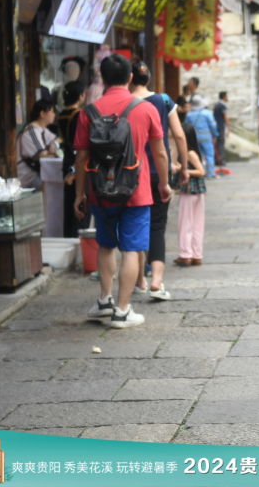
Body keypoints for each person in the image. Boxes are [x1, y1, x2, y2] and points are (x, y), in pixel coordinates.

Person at [73, 54, 171, 329]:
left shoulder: (88, 112)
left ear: (102, 79)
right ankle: (122, 310)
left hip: (100, 191)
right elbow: (160, 152)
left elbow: (81, 157)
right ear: (130, 78)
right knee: (131, 249)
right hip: (136, 191)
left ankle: (105, 300)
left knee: (106, 245)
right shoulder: (145, 109)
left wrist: (80, 193)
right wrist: (164, 183)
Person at [129, 60, 175, 301]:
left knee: (135, 226)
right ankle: (157, 281)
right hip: (157, 172)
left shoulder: (124, 103)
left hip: (131, 174)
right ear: (148, 79)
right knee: (157, 226)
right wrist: (166, 181)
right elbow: (168, 143)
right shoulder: (160, 101)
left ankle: (140, 281)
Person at [57, 81, 90, 238]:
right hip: (78, 159)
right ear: (81, 96)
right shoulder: (79, 115)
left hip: (67, 159)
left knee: (69, 199)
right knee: (81, 197)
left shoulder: (61, 114)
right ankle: (79, 234)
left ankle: (68, 234)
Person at [175, 119, 207, 266]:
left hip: (189, 191)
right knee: (196, 223)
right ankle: (196, 254)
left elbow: (201, 171)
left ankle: (185, 254)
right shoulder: (193, 152)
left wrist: (183, 170)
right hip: (197, 192)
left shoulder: (189, 153)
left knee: (185, 223)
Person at [17, 99, 61, 190]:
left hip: (38, 172)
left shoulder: (42, 129)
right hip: (28, 176)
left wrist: (54, 143)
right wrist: (53, 149)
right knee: (56, 187)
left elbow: (58, 139)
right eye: (52, 111)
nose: (54, 115)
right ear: (42, 114)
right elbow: (42, 154)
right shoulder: (31, 131)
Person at [186, 96, 219, 178]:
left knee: (198, 155)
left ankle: (199, 171)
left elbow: (186, 127)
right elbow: (213, 125)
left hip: (194, 138)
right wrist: (215, 134)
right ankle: (210, 173)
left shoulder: (189, 114)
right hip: (206, 136)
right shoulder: (207, 113)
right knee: (209, 154)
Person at [213, 91, 230, 168]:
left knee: (216, 144)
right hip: (221, 127)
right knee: (221, 144)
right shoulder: (223, 106)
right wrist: (228, 127)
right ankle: (221, 160)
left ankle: (217, 159)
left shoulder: (216, 106)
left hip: (216, 127)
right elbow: (225, 117)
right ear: (224, 97)